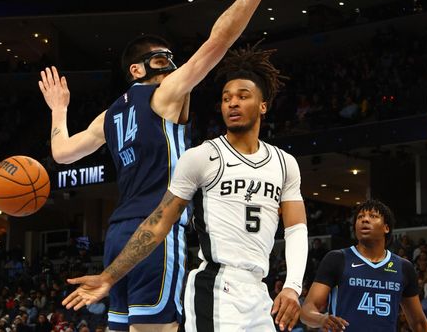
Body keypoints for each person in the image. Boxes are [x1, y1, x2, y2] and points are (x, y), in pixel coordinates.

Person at [39, 0, 283, 332]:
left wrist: (58, 110)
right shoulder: (165, 93)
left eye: (171, 57)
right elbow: (219, 41)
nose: (171, 64)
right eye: (160, 59)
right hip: (155, 231)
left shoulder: (109, 117)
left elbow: (62, 153)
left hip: (118, 236)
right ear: (137, 70)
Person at [61, 47, 308, 332]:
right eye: (226, 98)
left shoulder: (284, 163)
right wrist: (110, 276)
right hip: (216, 288)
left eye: (243, 96)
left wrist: (292, 286)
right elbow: (158, 222)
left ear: (263, 106)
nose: (232, 103)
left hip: (258, 291)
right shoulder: (202, 157)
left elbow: (296, 229)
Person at [300, 200, 427, 331]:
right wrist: (321, 319)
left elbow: (420, 324)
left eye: (373, 216)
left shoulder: (403, 267)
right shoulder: (337, 259)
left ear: (386, 228)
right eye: (360, 217)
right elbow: (307, 309)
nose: (365, 220)